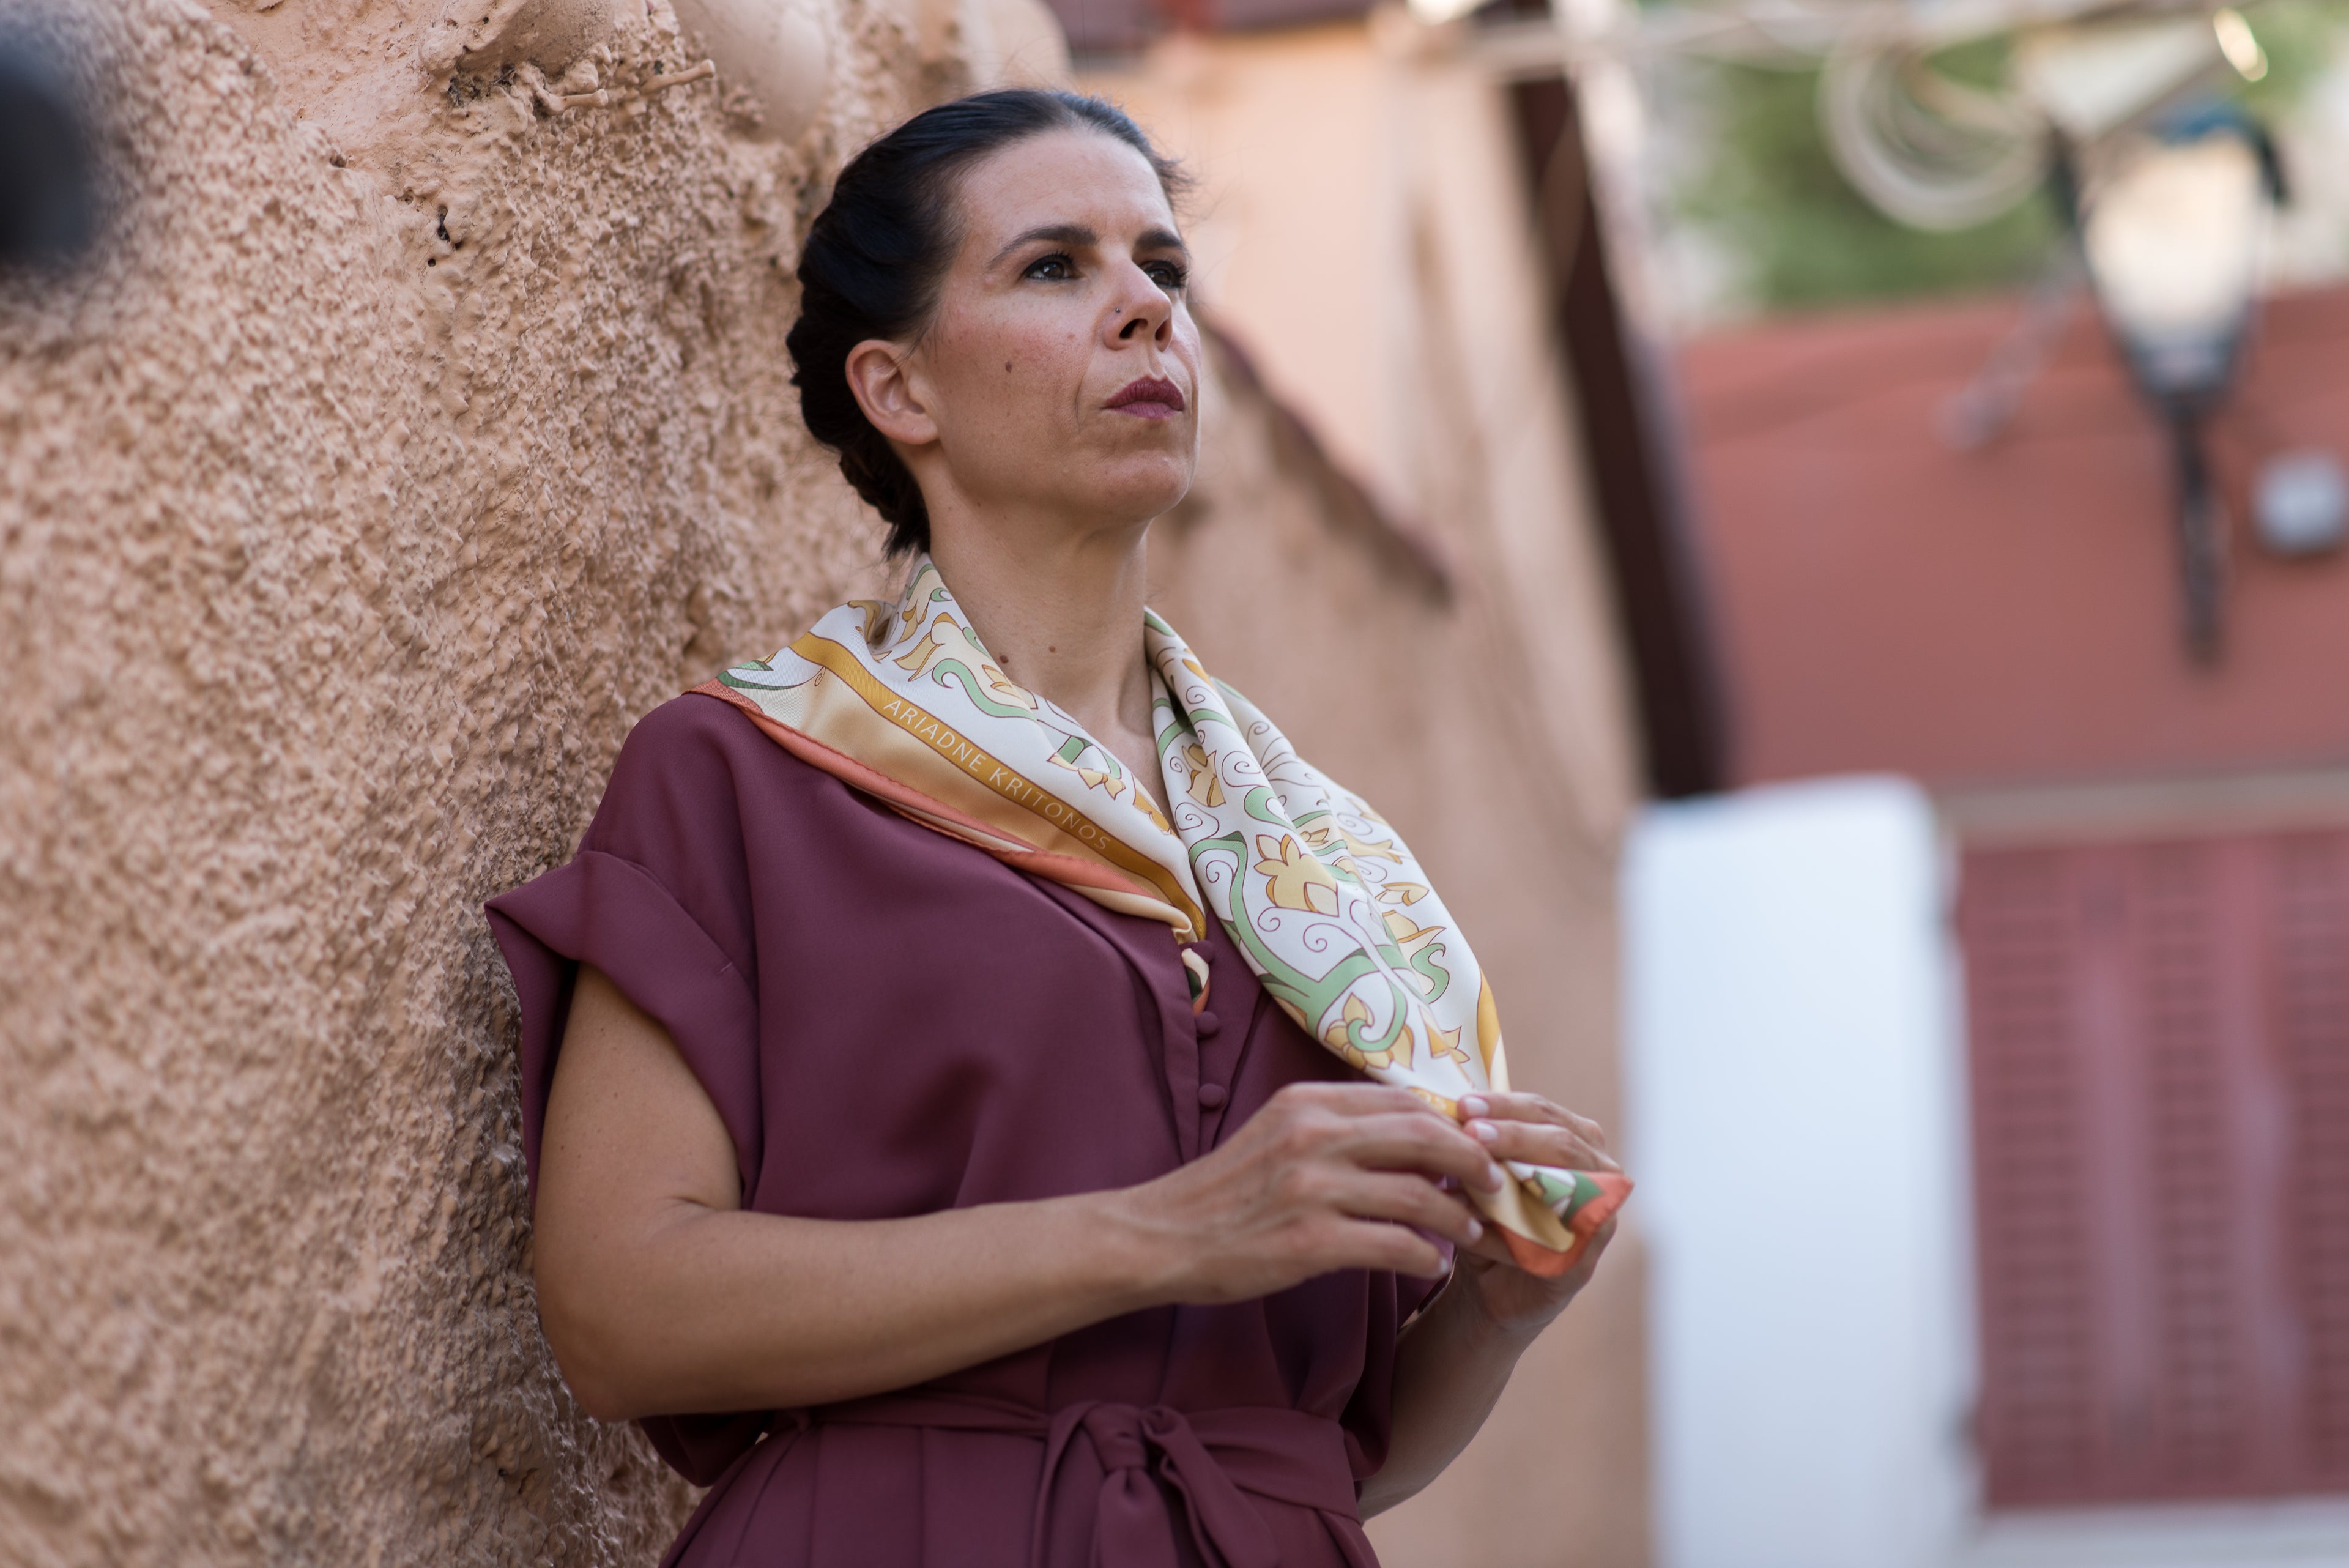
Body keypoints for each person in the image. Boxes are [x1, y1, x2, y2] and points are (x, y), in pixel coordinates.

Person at [486, 88, 1624, 1568]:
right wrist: (1166, 1233)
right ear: (902, 391)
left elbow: (1319, 1455)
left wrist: (1491, 1310)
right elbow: (620, 1313)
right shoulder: (747, 776)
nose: (1147, 309)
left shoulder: (1311, 859)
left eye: (1165, 267)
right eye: (1053, 267)